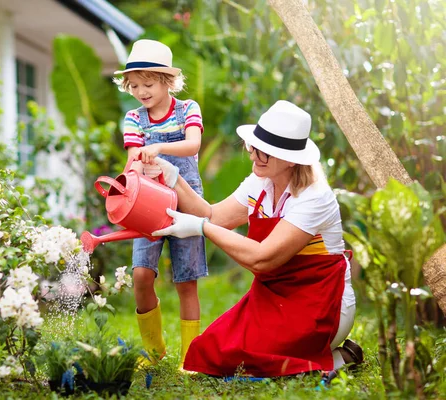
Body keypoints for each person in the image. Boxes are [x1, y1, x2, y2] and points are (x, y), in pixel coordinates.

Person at [150, 100, 364, 377]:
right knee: (210, 352)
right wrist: (175, 179)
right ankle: (318, 360)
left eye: (265, 153)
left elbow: (263, 259)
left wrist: (201, 228)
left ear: (290, 159)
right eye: (253, 147)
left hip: (321, 305)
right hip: (271, 300)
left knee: (259, 364)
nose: (254, 156)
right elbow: (214, 216)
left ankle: (339, 358)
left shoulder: (316, 197)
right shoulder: (259, 182)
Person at [113, 39, 207, 369]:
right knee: (141, 275)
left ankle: (190, 357)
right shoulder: (134, 118)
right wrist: (129, 176)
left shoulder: (187, 109)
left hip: (186, 201)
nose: (141, 91)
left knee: (186, 280)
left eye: (148, 84)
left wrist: (159, 149)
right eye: (134, 85)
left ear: (167, 81)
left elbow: (193, 143)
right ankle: (154, 351)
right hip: (147, 204)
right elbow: (132, 161)